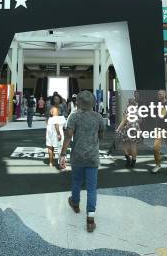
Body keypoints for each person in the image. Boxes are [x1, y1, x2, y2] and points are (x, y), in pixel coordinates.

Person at [59, 91, 106, 233]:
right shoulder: (98, 117)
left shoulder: (74, 117)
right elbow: (101, 136)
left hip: (77, 157)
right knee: (92, 188)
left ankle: (75, 203)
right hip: (92, 157)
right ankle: (90, 219)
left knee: (76, 182)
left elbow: (68, 137)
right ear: (93, 103)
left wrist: (62, 154)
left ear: (78, 102)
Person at [151, 90, 167, 175]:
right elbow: (156, 117)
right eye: (158, 94)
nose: (158, 95)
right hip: (159, 129)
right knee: (155, 147)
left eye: (160, 94)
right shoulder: (156, 105)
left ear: (164, 95)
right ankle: (158, 165)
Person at [115, 98, 141, 168]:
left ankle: (128, 157)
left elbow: (124, 120)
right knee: (133, 145)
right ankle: (133, 161)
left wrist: (118, 129)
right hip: (135, 128)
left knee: (124, 144)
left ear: (128, 103)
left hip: (128, 129)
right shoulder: (137, 110)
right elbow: (140, 120)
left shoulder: (127, 110)